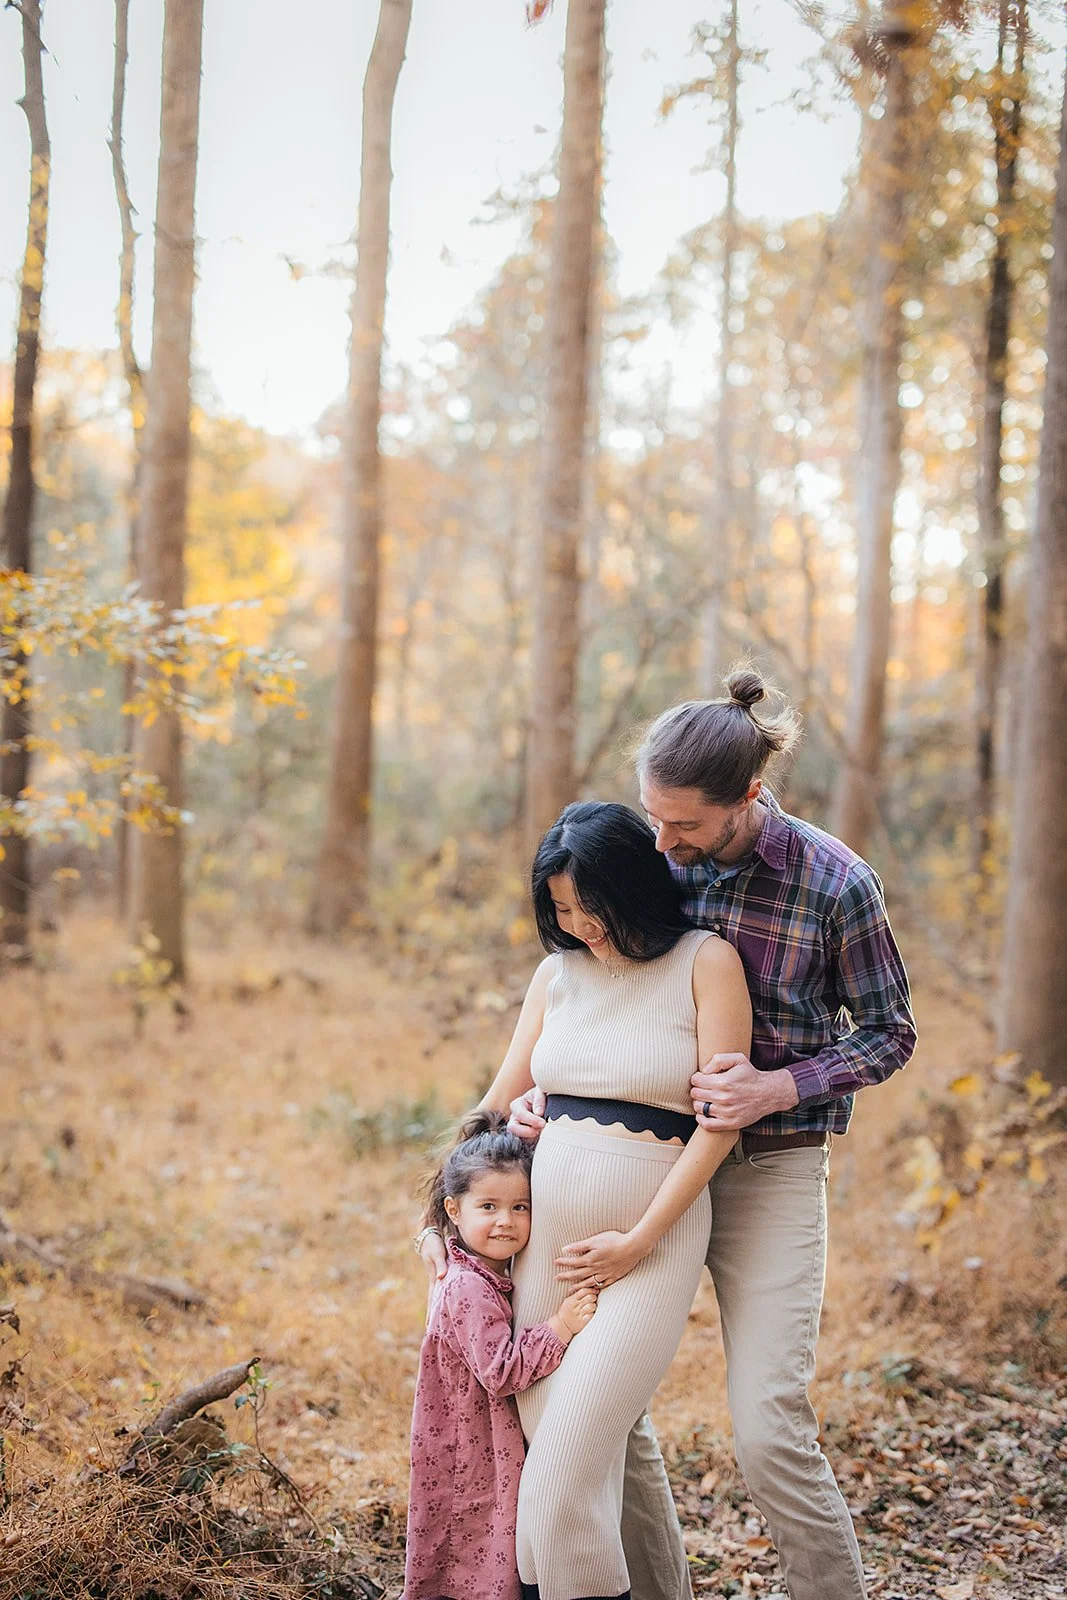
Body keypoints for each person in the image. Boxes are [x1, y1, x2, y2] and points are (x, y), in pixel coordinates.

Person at [514, 668, 917, 1600]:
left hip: (767, 1167)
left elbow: (891, 1034)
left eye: (685, 824)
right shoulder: (656, 852)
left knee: (767, 1424)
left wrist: (777, 1085)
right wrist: (542, 1092)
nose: (663, 843)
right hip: (642, 1163)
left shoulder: (834, 883)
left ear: (748, 797)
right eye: (653, 818)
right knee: (604, 1413)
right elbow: (590, 969)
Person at [419, 801, 752, 1600]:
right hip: (542, 1259)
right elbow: (494, 1106)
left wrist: (638, 1241)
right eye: (561, 911)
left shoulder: (705, 962)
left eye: (590, 907)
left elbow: (718, 1125)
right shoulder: (556, 975)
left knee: (561, 1477)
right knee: (551, 1474)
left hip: (649, 1253)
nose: (579, 926)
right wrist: (435, 1218)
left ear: (633, 887)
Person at [403, 1110, 599, 1600]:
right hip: (469, 1445)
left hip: (475, 1437)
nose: (506, 1221)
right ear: (453, 1210)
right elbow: (500, 1371)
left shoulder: (485, 1270)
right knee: (472, 1544)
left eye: (520, 1207)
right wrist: (559, 1327)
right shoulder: (467, 1285)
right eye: (488, 1206)